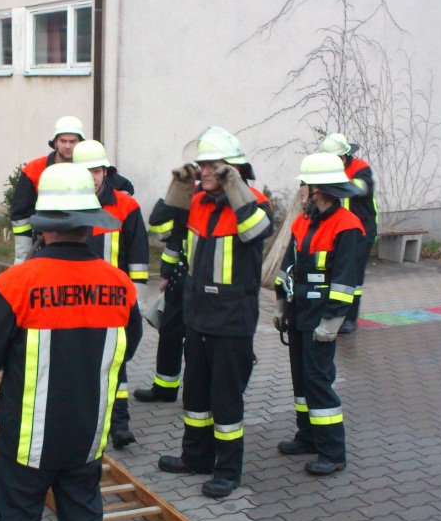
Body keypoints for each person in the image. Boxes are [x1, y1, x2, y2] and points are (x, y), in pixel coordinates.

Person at [0, 163, 143, 521]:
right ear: (90, 226)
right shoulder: (120, 285)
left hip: (27, 440)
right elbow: (127, 348)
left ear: (44, 227)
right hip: (87, 436)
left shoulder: (19, 282)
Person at [157, 127, 273, 499]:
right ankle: (196, 457)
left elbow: (257, 232)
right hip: (198, 315)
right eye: (201, 165)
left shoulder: (254, 202)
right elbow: (159, 226)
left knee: (225, 398)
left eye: (212, 165)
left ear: (231, 169)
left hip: (232, 319)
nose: (204, 171)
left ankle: (227, 471)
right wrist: (178, 187)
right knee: (195, 395)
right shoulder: (197, 200)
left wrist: (235, 185)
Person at [273, 153, 364, 476]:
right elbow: (288, 265)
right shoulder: (304, 221)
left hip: (320, 316)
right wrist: (281, 302)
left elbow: (344, 281)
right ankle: (308, 436)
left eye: (304, 184)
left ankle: (332, 451)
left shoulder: (347, 226)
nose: (300, 189)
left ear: (319, 189)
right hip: (299, 312)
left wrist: (332, 322)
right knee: (301, 380)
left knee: (317, 381)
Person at [73, 139, 148, 449]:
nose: (92, 177)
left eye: (96, 171)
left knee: (116, 362)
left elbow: (138, 255)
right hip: (74, 300)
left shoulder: (126, 206)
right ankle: (85, 421)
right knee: (79, 362)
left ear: (105, 172)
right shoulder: (66, 204)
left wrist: (136, 298)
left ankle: (119, 426)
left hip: (113, 301)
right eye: (85, 171)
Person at [9, 116, 134, 264]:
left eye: (72, 141)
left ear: (80, 143)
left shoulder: (89, 165)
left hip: (81, 242)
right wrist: (22, 257)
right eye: (63, 141)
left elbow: (123, 186)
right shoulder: (34, 169)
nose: (67, 146)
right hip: (47, 240)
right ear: (55, 142)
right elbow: (20, 216)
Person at [134, 163, 199, 404]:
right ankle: (165, 387)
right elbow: (160, 228)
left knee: (195, 340)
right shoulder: (185, 201)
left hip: (203, 283)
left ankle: (196, 391)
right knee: (169, 333)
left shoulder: (211, 203)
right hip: (181, 279)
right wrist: (166, 274)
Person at [319, 133, 377, 334]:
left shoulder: (361, 169)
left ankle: (350, 318)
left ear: (343, 157)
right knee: (332, 272)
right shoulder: (330, 169)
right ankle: (331, 313)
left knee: (353, 277)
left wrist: (332, 180)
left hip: (361, 231)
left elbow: (359, 189)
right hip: (337, 229)